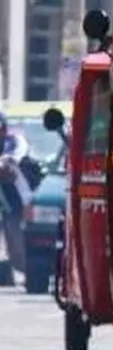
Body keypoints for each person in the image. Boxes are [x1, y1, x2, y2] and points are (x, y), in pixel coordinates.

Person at [0, 113, 38, 276]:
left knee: (15, 234)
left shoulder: (15, 140)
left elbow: (15, 157)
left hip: (16, 197)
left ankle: (23, 268)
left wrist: (5, 163)